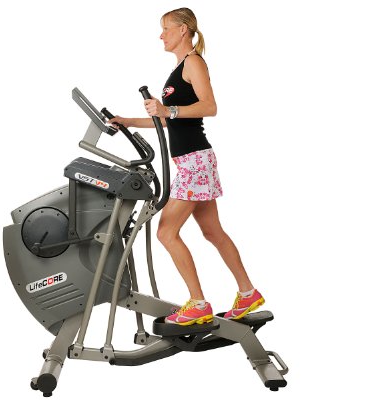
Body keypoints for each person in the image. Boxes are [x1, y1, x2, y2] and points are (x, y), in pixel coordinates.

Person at [109, 7, 264, 325]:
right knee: (212, 231)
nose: (161, 35)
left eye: (166, 28)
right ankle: (248, 293)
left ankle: (198, 303)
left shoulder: (194, 62)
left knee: (166, 232)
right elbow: (168, 120)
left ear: (183, 29)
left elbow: (209, 106)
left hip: (195, 162)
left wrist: (169, 110)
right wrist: (128, 121)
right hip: (194, 161)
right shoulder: (179, 69)